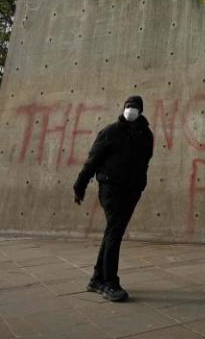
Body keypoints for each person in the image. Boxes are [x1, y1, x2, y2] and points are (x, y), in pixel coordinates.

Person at [73, 96, 154, 302]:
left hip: (132, 190)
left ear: (141, 110)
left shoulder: (146, 135)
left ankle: (97, 279)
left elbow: (145, 162)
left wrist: (140, 185)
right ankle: (109, 283)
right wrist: (80, 185)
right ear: (123, 108)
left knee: (112, 233)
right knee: (114, 233)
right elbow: (92, 161)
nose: (131, 110)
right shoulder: (110, 132)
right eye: (128, 106)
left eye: (135, 107)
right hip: (111, 189)